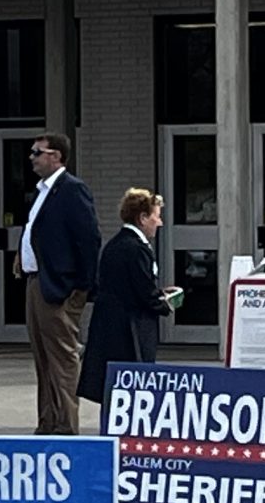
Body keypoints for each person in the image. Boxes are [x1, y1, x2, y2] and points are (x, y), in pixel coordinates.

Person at [18, 133, 99, 435]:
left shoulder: (72, 190)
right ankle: (48, 421)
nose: (32, 158)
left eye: (37, 152)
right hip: (36, 282)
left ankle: (67, 425)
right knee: (42, 358)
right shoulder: (42, 192)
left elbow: (89, 240)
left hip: (58, 289)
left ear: (56, 156)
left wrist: (79, 290)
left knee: (62, 359)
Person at [79, 188, 171, 406]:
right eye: (156, 217)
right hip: (130, 330)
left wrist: (157, 293)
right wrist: (165, 303)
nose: (160, 223)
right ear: (142, 218)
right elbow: (144, 293)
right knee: (133, 385)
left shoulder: (115, 244)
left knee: (112, 389)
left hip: (109, 326)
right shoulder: (136, 249)